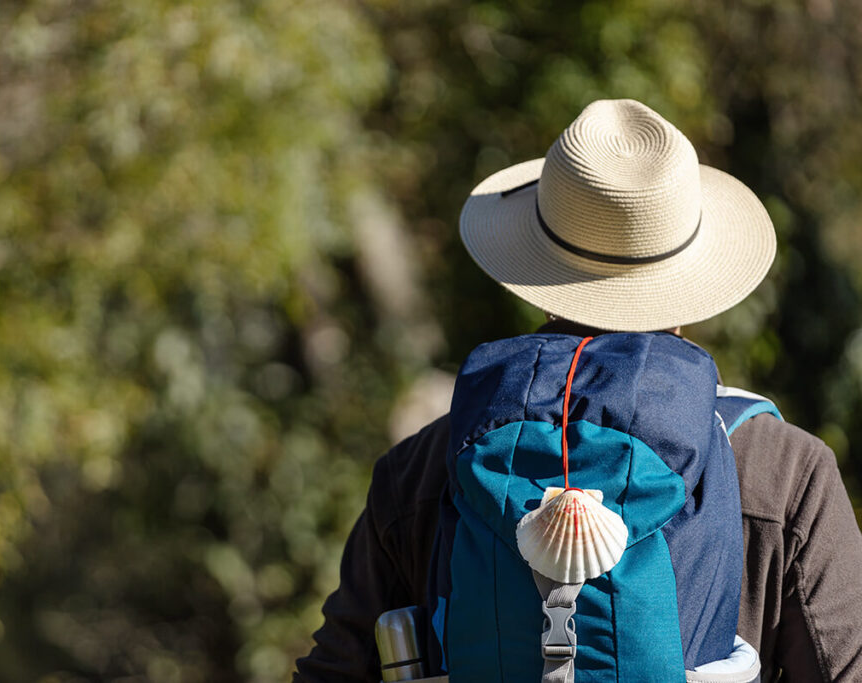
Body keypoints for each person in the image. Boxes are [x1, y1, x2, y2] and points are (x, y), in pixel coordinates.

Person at [292, 99, 862, 682]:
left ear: (538, 281)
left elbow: (334, 671)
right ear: (690, 282)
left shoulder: (421, 469)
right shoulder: (785, 471)